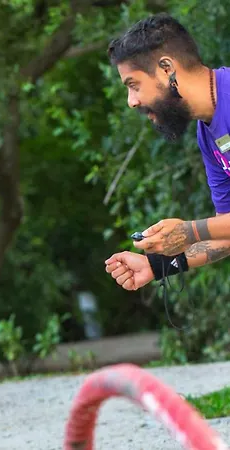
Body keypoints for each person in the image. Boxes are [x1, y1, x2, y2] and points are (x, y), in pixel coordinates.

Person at [103, 13, 230, 290]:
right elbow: (226, 230)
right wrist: (156, 265)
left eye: (133, 85)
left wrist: (189, 231)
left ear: (166, 68)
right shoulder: (207, 135)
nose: (131, 102)